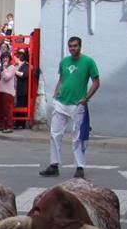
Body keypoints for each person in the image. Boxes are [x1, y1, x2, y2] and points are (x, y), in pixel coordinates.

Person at [41, 36, 100, 178]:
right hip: (61, 102)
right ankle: (54, 165)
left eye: (75, 46)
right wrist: (55, 96)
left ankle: (80, 167)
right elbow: (61, 80)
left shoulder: (88, 62)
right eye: (70, 46)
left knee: (78, 137)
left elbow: (96, 82)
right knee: (55, 134)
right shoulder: (64, 61)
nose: (72, 48)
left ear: (80, 46)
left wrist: (86, 99)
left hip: (77, 105)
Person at [0, 51, 22, 133]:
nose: (5, 59)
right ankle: (0, 125)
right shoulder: (1, 67)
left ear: (9, 59)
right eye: (3, 58)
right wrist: (2, 69)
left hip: (8, 92)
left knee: (7, 110)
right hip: (0, 90)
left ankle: (9, 126)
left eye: (6, 58)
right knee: (0, 110)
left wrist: (5, 68)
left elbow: (6, 77)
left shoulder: (12, 67)